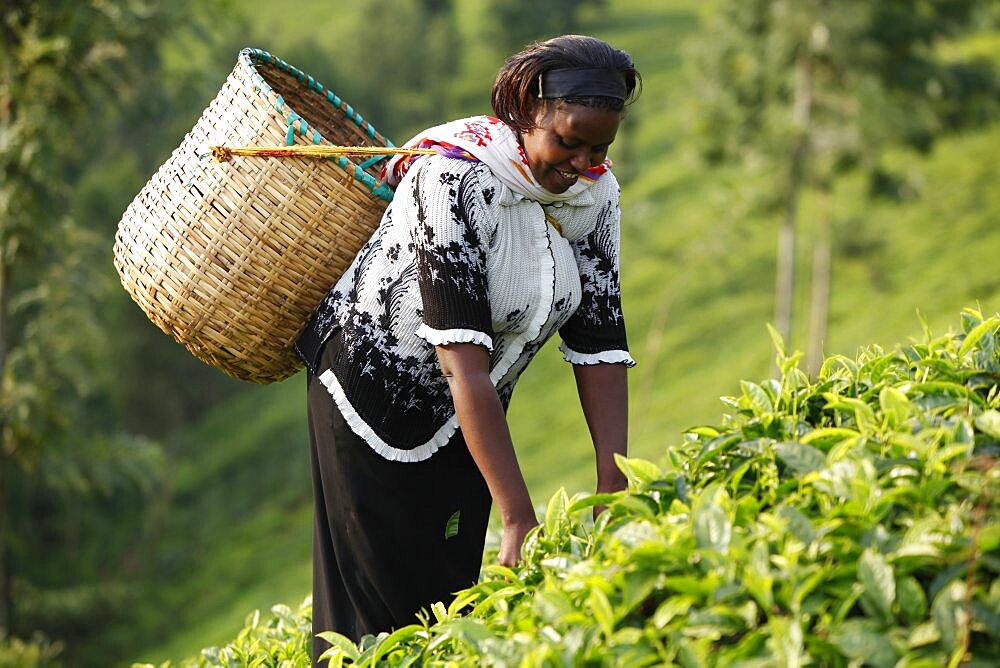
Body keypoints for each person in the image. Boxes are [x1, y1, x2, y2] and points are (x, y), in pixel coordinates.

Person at [294, 33, 641, 663]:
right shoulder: (452, 179)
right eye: (568, 141)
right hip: (368, 395)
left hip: (469, 413)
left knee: (451, 598)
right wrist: (516, 515)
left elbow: (601, 341)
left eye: (600, 147)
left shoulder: (596, 192)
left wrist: (615, 484)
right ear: (526, 111)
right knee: (376, 622)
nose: (583, 162)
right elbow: (461, 361)